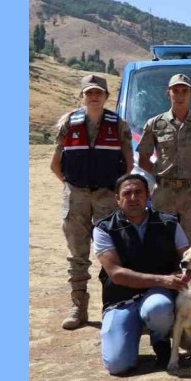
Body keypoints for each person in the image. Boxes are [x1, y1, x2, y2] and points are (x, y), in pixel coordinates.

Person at [51, 74, 134, 330]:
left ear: (106, 96)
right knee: (77, 254)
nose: (94, 97)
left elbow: (129, 163)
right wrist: (73, 185)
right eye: (89, 93)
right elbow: (55, 163)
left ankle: (116, 305)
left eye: (98, 93)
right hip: (76, 195)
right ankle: (79, 307)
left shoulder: (118, 124)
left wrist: (117, 192)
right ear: (82, 96)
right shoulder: (68, 122)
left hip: (107, 196)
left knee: (111, 251)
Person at [94, 174, 189, 375]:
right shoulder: (104, 229)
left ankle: (160, 339)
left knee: (158, 307)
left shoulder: (170, 224)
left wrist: (182, 275)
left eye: (138, 192)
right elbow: (116, 274)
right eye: (126, 193)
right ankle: (130, 331)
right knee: (118, 365)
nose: (133, 197)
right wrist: (163, 279)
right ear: (117, 199)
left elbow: (188, 261)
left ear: (148, 196)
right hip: (121, 299)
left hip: (158, 295)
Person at [137, 73, 191, 248]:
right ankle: (164, 275)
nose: (180, 95)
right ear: (168, 94)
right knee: (161, 237)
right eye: (175, 91)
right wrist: (160, 176)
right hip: (164, 192)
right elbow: (143, 159)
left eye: (184, 91)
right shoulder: (155, 124)